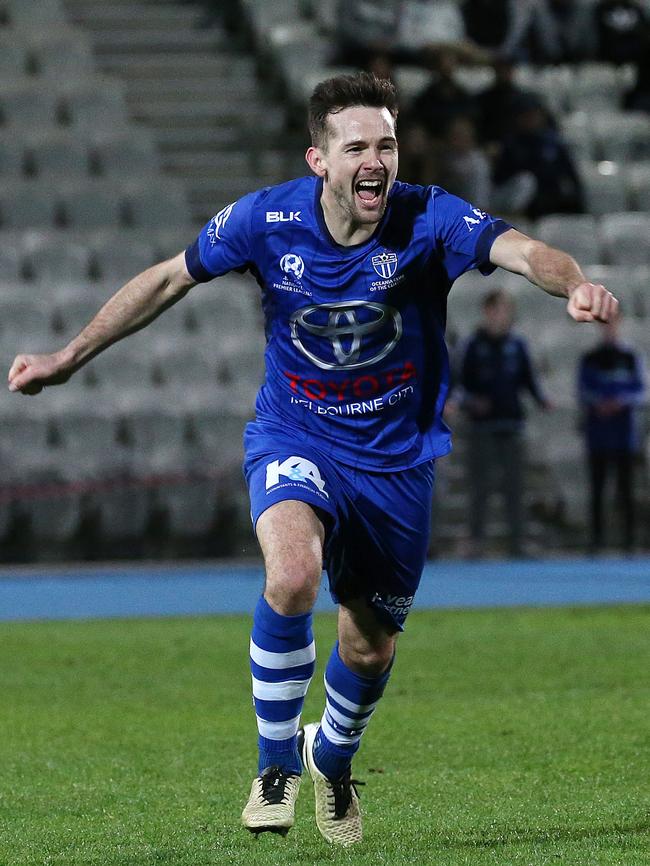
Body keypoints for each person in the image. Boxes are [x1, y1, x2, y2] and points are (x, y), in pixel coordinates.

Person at [7, 72, 617, 847]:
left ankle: (330, 755)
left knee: (370, 645)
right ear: (319, 159)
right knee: (291, 575)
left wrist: (577, 283)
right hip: (295, 435)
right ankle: (274, 765)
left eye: (387, 143)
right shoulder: (267, 219)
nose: (376, 159)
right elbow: (168, 277)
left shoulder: (429, 217)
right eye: (356, 145)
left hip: (397, 465)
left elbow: (524, 249)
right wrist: (68, 356)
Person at [456, 288, 551, 557]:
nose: (502, 316)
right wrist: (471, 402)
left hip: (511, 424)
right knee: (480, 488)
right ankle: (476, 543)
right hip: (481, 428)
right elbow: (459, 385)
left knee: (515, 487)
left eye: (506, 310)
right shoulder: (472, 345)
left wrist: (542, 400)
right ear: (488, 312)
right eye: (498, 310)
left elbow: (528, 380)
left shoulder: (517, 345)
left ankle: (517, 543)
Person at [578, 314, 645, 553]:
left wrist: (620, 402)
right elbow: (583, 390)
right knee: (598, 488)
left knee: (625, 489)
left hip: (623, 435)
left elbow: (640, 392)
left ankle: (628, 541)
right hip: (598, 434)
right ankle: (596, 540)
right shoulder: (590, 358)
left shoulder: (630, 357)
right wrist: (600, 404)